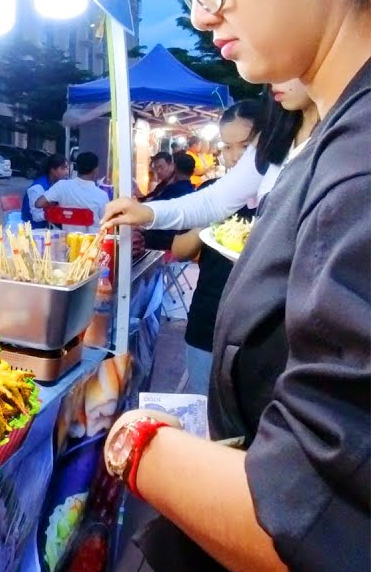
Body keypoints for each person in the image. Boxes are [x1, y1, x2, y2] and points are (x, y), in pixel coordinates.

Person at [105, 0, 370, 572]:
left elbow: (318, 525)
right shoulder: (326, 141)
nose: (198, 12)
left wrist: (135, 442)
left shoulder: (359, 166)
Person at [101, 79, 318, 232]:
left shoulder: (333, 142)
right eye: (228, 147)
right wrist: (147, 213)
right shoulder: (276, 140)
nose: (271, 77)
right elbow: (214, 201)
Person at [168, 101, 261, 395]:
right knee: (205, 408)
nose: (235, 156)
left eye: (245, 145)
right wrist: (211, 222)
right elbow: (180, 249)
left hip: (259, 332)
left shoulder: (280, 194)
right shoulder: (212, 194)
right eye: (227, 147)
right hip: (208, 319)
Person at [35, 152, 109, 232]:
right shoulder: (102, 195)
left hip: (68, 238)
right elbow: (107, 222)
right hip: (93, 239)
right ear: (96, 170)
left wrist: (58, 204)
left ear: (76, 168)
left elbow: (39, 203)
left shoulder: (62, 186)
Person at [141, 153, 198, 250]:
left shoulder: (174, 189)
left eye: (161, 167)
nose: (158, 171)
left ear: (173, 167)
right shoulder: (190, 190)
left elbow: (151, 208)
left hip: (163, 239)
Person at [22, 154, 70, 229]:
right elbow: (35, 217)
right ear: (52, 170)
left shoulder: (55, 184)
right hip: (33, 230)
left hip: (47, 227)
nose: (67, 172)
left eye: (67, 168)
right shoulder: (37, 188)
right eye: (63, 168)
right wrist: (56, 212)